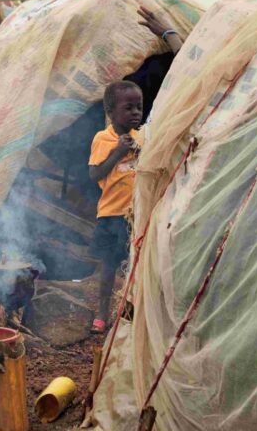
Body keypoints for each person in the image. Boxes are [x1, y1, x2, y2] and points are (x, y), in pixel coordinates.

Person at [88, 81, 144, 333]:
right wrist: (118, 152)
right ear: (111, 112)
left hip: (136, 216)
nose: (136, 113)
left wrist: (139, 151)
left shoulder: (140, 138)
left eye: (139, 107)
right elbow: (94, 174)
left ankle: (128, 315)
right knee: (109, 267)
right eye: (128, 108)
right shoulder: (104, 138)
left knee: (134, 266)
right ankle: (102, 315)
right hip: (112, 215)